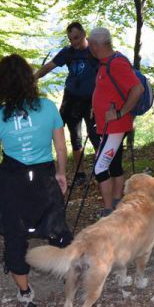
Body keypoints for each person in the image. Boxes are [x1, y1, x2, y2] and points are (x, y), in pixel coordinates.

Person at [0, 54, 72, 307]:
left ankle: (25, 292)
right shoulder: (47, 107)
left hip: (12, 180)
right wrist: (61, 174)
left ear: (0, 83)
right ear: (29, 79)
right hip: (44, 178)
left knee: (14, 235)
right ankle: (73, 276)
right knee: (57, 228)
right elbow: (61, 147)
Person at [35, 22, 100, 187]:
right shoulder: (68, 52)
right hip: (71, 98)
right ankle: (80, 173)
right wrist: (32, 78)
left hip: (92, 99)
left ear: (84, 33)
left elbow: (106, 72)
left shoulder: (94, 51)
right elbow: (49, 66)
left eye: (77, 38)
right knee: (75, 137)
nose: (74, 42)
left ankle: (102, 171)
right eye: (71, 39)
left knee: (95, 136)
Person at [87, 27, 143, 215]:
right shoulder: (105, 62)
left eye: (89, 43)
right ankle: (118, 203)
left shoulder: (116, 63)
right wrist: (97, 105)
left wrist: (119, 113)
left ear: (95, 45)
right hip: (109, 126)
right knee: (115, 165)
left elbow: (137, 89)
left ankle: (109, 209)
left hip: (116, 127)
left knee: (100, 168)